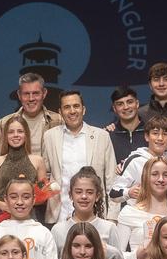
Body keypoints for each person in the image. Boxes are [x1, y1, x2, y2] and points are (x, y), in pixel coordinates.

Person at [42, 91, 121, 224]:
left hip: (95, 215)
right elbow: (45, 175)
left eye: (76, 106)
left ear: (83, 110)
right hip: (60, 215)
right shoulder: (50, 136)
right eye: (67, 107)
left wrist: (112, 216)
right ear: (60, 112)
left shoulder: (101, 136)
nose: (72, 111)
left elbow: (111, 180)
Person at [50, 167, 132, 259]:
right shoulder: (58, 230)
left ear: (97, 196)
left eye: (89, 192)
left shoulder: (109, 228)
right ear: (70, 195)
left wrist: (109, 251)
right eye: (78, 192)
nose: (84, 196)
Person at [0, 115, 48, 215]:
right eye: (11, 132)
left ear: (26, 134)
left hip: (29, 216)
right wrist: (5, 207)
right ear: (5, 135)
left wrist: (23, 207)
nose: (15, 135)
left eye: (20, 131)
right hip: (2, 216)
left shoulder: (38, 161)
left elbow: (43, 195)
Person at [0, 73, 64, 158]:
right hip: (15, 171)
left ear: (44, 93)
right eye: (26, 94)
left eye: (36, 93)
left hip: (49, 171)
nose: (31, 98)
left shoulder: (59, 121)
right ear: (19, 95)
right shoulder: (4, 123)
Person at [111, 115, 167, 209]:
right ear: (147, 137)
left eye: (165, 134)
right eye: (155, 133)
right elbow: (113, 193)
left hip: (164, 216)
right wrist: (128, 192)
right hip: (138, 217)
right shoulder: (134, 161)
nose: (160, 138)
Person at [105, 86, 144, 164]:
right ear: (114, 109)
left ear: (137, 104)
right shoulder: (108, 135)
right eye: (120, 104)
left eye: (130, 102)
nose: (126, 107)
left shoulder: (151, 132)